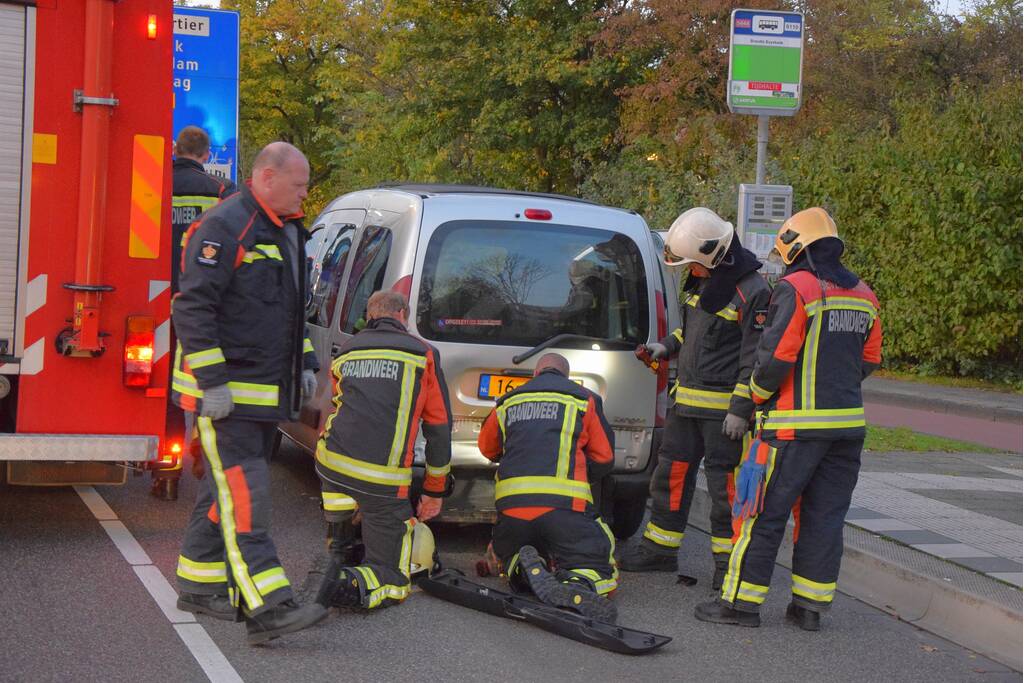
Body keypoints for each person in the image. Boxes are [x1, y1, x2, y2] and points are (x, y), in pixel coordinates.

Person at [694, 207, 882, 630]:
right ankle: (809, 609)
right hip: (847, 430)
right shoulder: (865, 294)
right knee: (824, 517)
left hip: (793, 429)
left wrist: (756, 398)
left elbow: (776, 356)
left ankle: (740, 605)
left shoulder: (796, 288)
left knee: (762, 513)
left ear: (796, 246)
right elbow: (870, 360)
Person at [171, 142, 325, 645]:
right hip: (228, 397)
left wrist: (303, 362)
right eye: (298, 184)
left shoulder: (286, 230)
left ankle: (198, 584)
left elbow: (288, 314)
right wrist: (212, 383)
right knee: (247, 496)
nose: (305, 192)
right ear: (265, 177)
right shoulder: (223, 225)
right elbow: (192, 308)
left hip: (263, 396)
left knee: (224, 492)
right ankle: (269, 606)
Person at [619, 207, 770, 591]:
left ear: (713, 257)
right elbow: (691, 335)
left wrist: (740, 411)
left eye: (693, 265)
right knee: (670, 477)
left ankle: (726, 566)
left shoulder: (753, 293)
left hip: (723, 419)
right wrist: (664, 347)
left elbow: (754, 358)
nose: (691, 271)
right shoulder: (705, 284)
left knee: (725, 491)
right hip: (685, 408)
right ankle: (659, 550)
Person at [314, 290, 454, 611]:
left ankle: (339, 551)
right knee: (393, 577)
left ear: (370, 315)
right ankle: (348, 583)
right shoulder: (423, 354)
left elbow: (340, 404)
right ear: (404, 313)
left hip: (330, 466)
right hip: (381, 480)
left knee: (342, 535)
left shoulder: (348, 349)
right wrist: (434, 491)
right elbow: (438, 428)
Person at [477, 353, 619, 623]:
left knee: (510, 556)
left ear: (535, 374)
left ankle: (522, 569)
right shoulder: (583, 398)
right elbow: (604, 457)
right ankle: (579, 583)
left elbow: (487, 448)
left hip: (511, 517)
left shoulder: (508, 400)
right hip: (564, 512)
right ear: (566, 375)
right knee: (596, 558)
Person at [165, 126, 237, 489]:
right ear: (207, 155)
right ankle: (199, 450)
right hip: (203, 301)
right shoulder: (223, 192)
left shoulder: (156, 182)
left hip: (156, 295)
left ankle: (166, 468)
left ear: (177, 149)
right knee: (202, 377)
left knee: (163, 381)